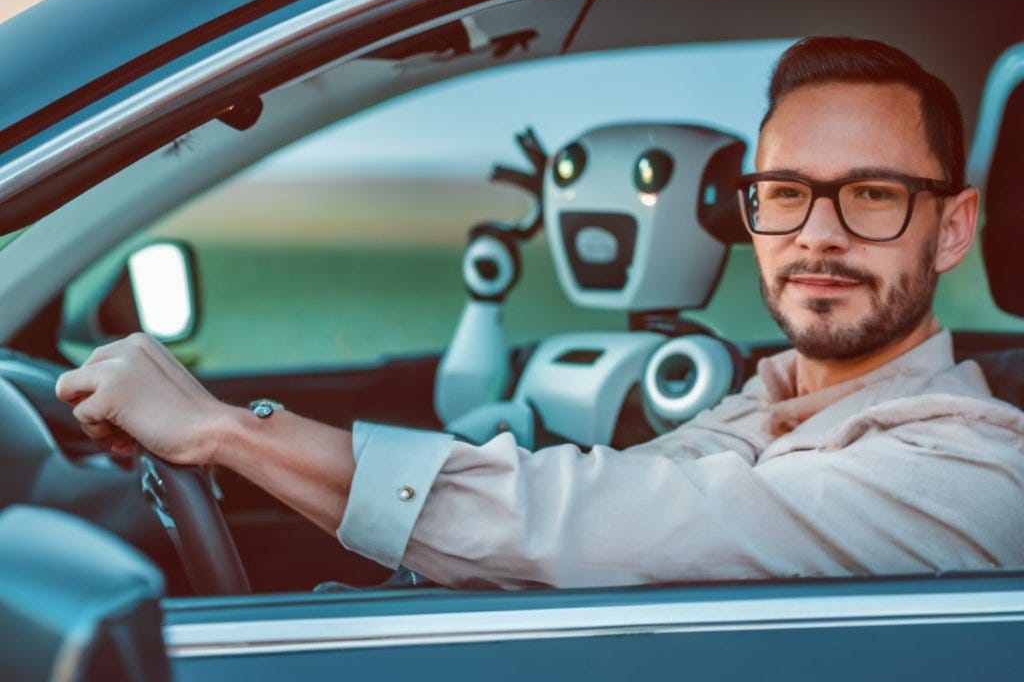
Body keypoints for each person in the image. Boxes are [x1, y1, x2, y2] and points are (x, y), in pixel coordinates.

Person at [55, 37, 1024, 589]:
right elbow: (578, 492)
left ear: (949, 229)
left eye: (872, 194)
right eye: (784, 193)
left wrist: (229, 433)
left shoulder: (966, 473)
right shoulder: (759, 402)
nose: (818, 235)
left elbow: (601, 522)